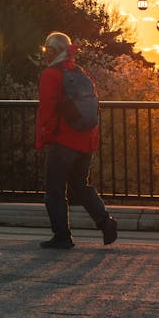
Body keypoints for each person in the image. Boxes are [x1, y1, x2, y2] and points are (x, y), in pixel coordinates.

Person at [36, 31, 118, 249]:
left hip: (63, 140)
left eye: (47, 50)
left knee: (54, 189)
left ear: (53, 51)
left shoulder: (51, 75)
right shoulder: (81, 73)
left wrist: (45, 138)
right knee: (80, 184)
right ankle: (105, 223)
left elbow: (47, 111)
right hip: (86, 141)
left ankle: (62, 235)